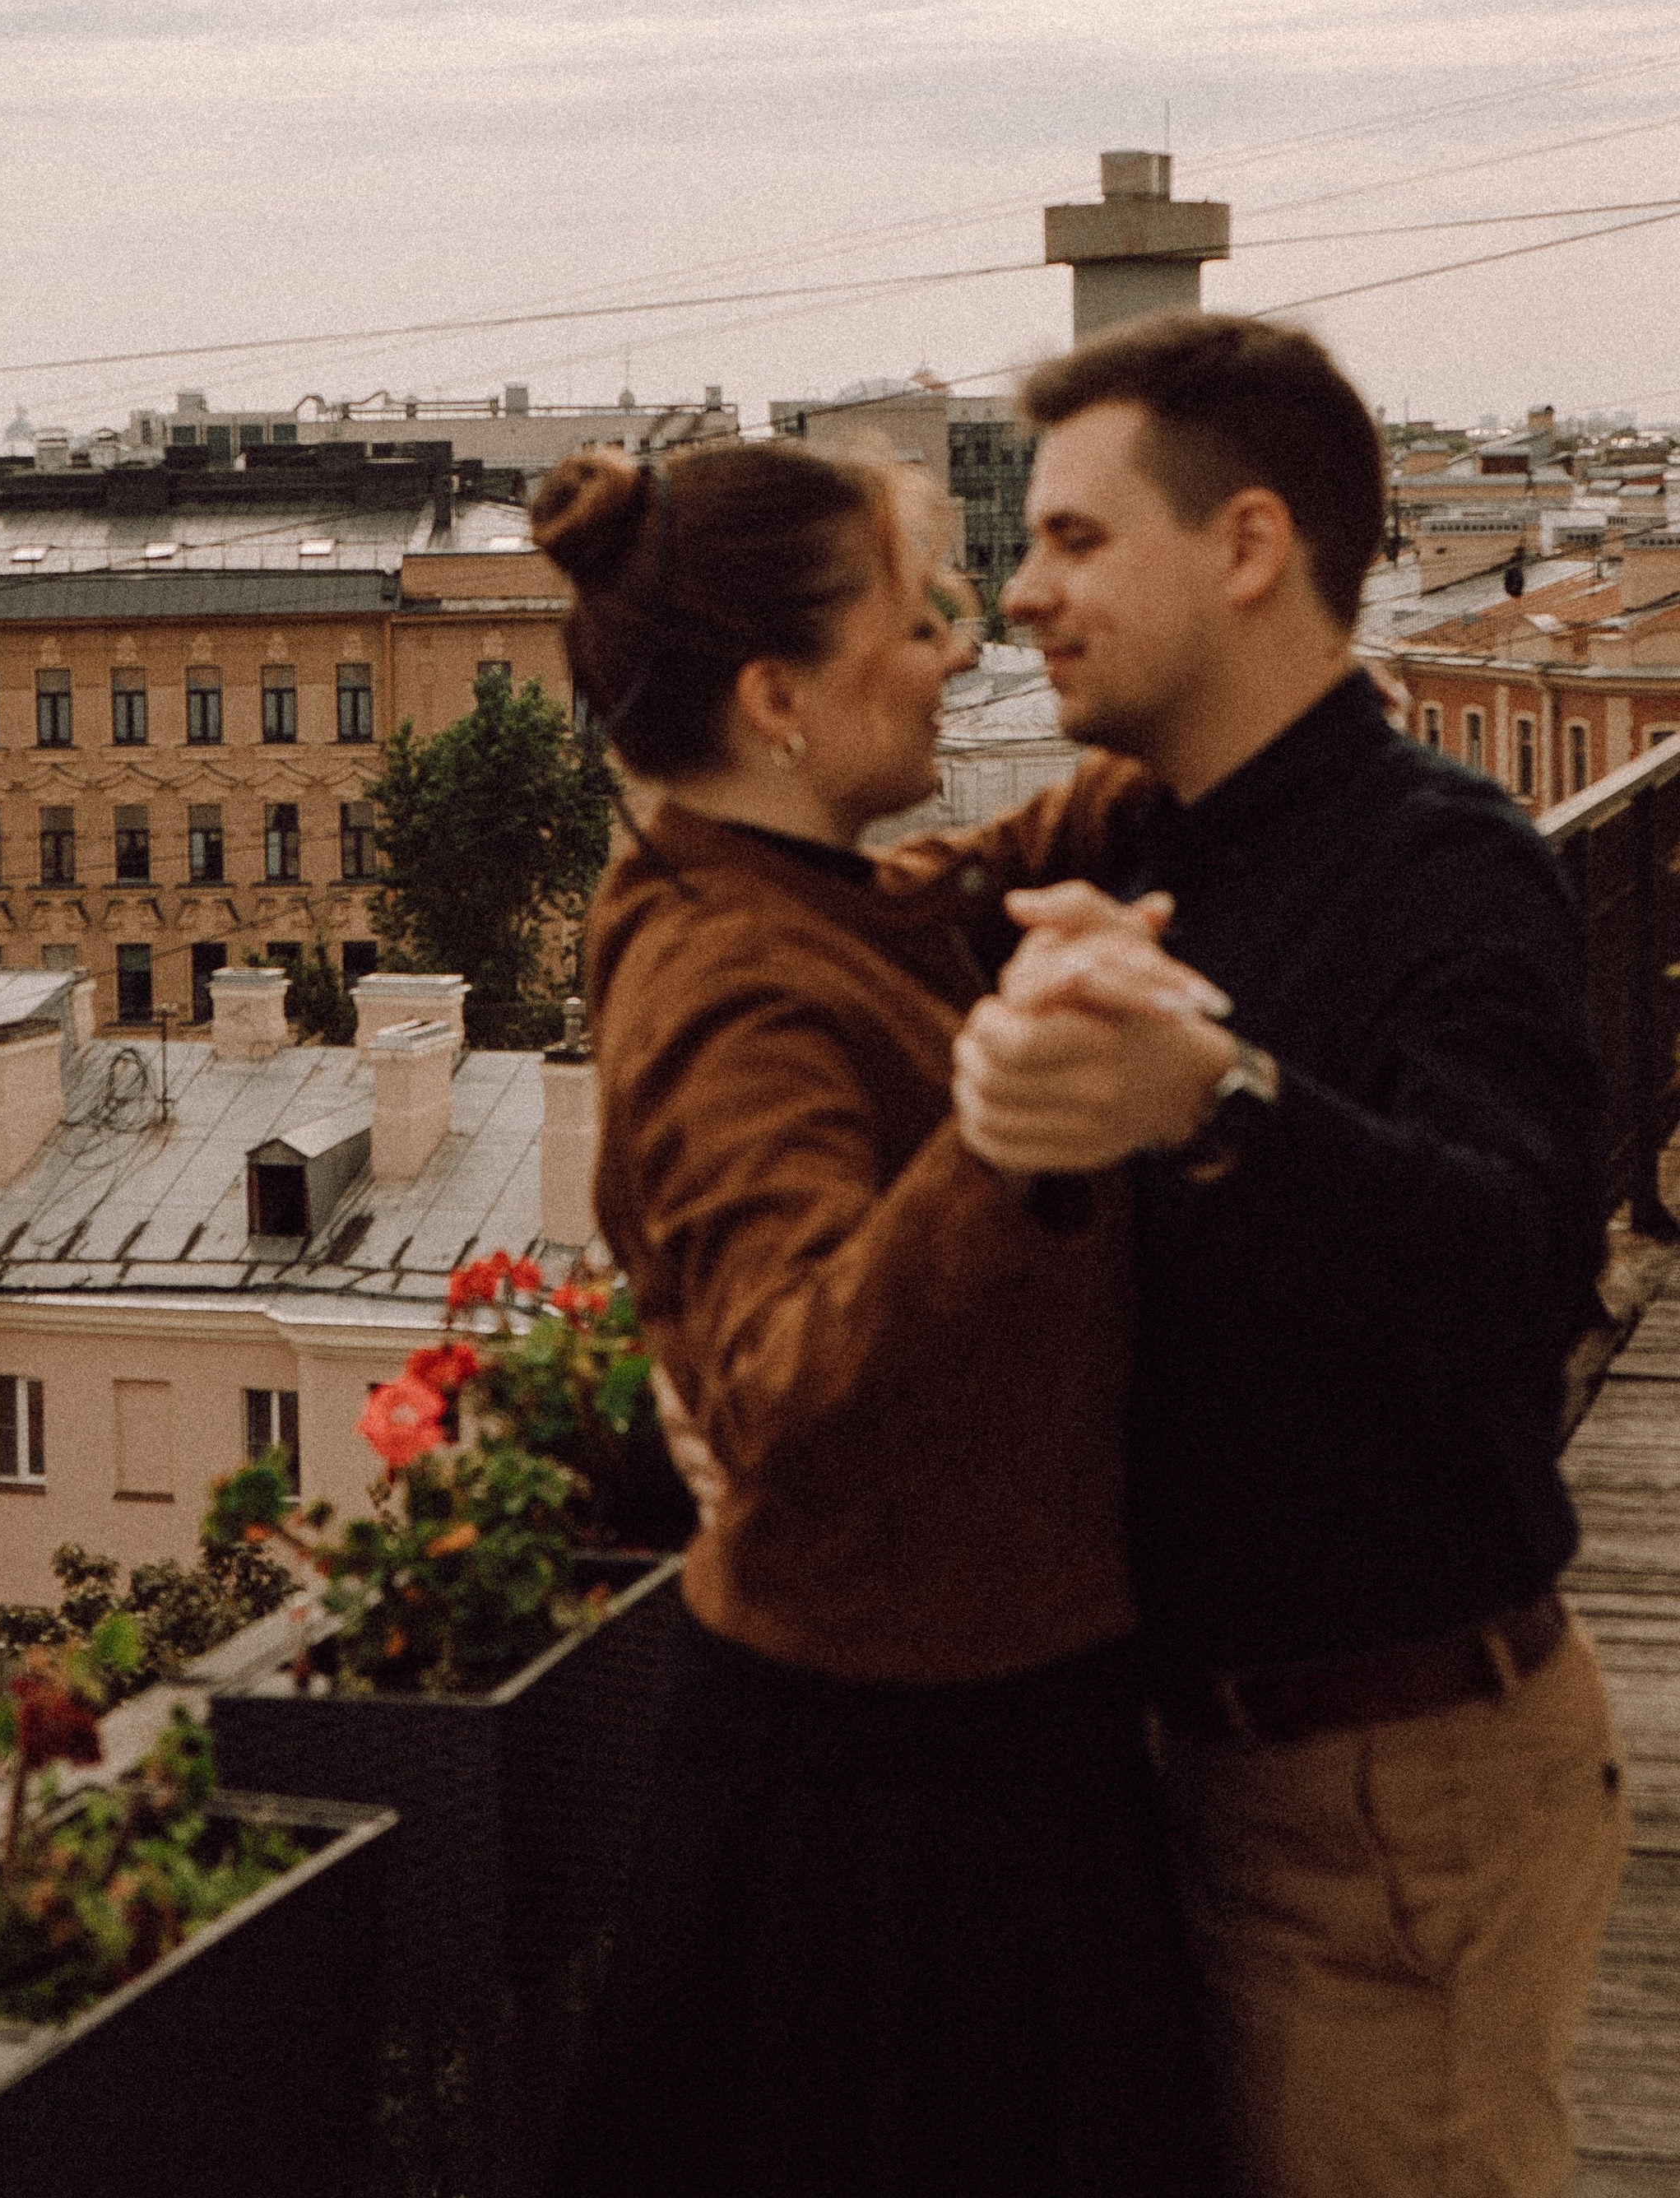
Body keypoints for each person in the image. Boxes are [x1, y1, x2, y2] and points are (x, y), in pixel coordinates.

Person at [953, 311, 1627, 2198]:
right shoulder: (1174, 845)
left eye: (1076, 540)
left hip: (1385, 1799)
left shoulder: (1442, 863)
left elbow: (1516, 1275)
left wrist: (1215, 1099)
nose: (1020, 599)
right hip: (1216, 1771)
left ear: (1244, 547)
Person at [529, 437, 1220, 2198]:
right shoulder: (726, 981)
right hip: (903, 1843)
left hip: (926, 1774)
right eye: (914, 623)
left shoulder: (747, 893)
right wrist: (1007, 1128)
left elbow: (911, 907)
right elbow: (776, 1386)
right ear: (775, 696)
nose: (956, 652)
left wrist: (1163, 753)